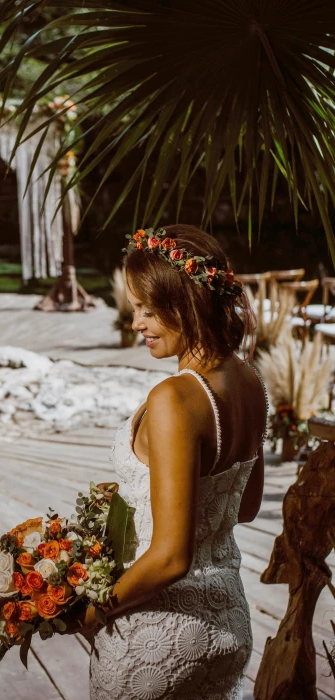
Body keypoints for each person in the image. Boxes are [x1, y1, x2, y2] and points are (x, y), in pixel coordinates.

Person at [74, 224, 268, 698]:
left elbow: (170, 557)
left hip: (158, 635)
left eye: (147, 309)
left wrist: (91, 613)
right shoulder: (250, 381)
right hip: (226, 623)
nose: (135, 322)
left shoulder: (174, 399)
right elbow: (244, 507)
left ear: (184, 303)